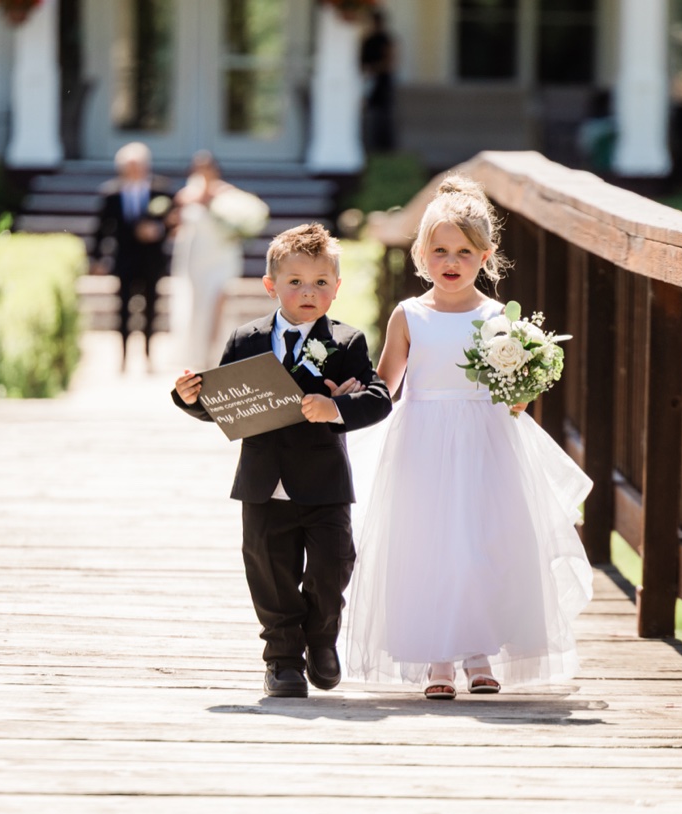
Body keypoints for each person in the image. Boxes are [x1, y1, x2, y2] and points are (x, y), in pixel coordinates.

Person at [342, 177, 594, 699]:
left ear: (486, 255)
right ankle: (437, 659)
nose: (450, 261)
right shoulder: (409, 315)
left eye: (463, 251)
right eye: (439, 250)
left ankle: (480, 655)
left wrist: (523, 387)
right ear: (420, 254)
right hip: (423, 442)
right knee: (430, 545)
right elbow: (386, 385)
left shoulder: (498, 318)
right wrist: (348, 392)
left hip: (484, 444)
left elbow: (513, 394)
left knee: (482, 544)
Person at [171, 224, 393, 699]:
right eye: (295, 282)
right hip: (263, 481)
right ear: (271, 286)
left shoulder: (346, 342)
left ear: (336, 289)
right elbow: (225, 403)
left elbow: (378, 398)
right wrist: (188, 397)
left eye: (319, 283)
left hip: (325, 481)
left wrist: (336, 408)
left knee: (333, 565)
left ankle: (321, 637)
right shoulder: (245, 339)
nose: (307, 292)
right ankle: (283, 660)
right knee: (269, 571)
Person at [170, 152, 260, 369]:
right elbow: (174, 226)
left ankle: (215, 352)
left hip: (221, 258)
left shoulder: (228, 194)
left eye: (207, 167)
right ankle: (196, 353)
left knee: (218, 302)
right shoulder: (185, 196)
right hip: (196, 258)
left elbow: (244, 222)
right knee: (197, 305)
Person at [94, 142, 174, 370]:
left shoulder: (161, 190)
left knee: (151, 307)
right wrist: (97, 258)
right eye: (130, 166)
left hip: (151, 259)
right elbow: (102, 228)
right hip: (124, 258)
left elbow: (173, 220)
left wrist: (158, 230)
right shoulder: (111, 193)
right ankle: (124, 356)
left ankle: (149, 354)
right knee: (122, 308)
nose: (135, 170)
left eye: (139, 165)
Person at [359, 11, 398, 152]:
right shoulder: (368, 41)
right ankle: (370, 148)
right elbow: (361, 63)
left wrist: (374, 69)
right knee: (369, 118)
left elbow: (390, 62)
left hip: (383, 84)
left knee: (384, 119)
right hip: (368, 83)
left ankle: (385, 150)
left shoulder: (386, 40)